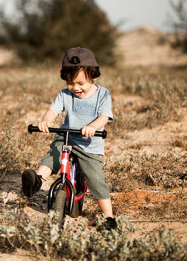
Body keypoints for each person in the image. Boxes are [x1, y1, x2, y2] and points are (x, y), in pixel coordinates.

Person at [22, 47, 117, 230]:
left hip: (89, 144)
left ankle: (109, 218)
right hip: (67, 137)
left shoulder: (102, 94)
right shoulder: (65, 94)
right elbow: (53, 110)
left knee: (96, 180)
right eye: (70, 83)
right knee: (53, 155)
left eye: (80, 83)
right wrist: (46, 121)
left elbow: (104, 116)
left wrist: (93, 127)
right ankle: (36, 181)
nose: (75, 88)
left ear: (93, 76)